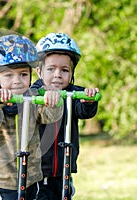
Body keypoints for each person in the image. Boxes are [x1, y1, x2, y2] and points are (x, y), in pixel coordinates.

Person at [0, 34, 63, 200]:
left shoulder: (33, 96)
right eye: (8, 75)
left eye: (23, 74)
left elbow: (49, 117)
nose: (17, 81)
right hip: (3, 177)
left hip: (31, 175)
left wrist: (54, 102)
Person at [31, 32, 99, 199]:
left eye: (64, 70)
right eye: (51, 69)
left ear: (71, 73)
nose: (57, 74)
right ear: (39, 71)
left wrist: (88, 100)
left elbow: (83, 112)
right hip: (39, 169)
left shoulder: (74, 93)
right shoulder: (33, 94)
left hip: (64, 166)